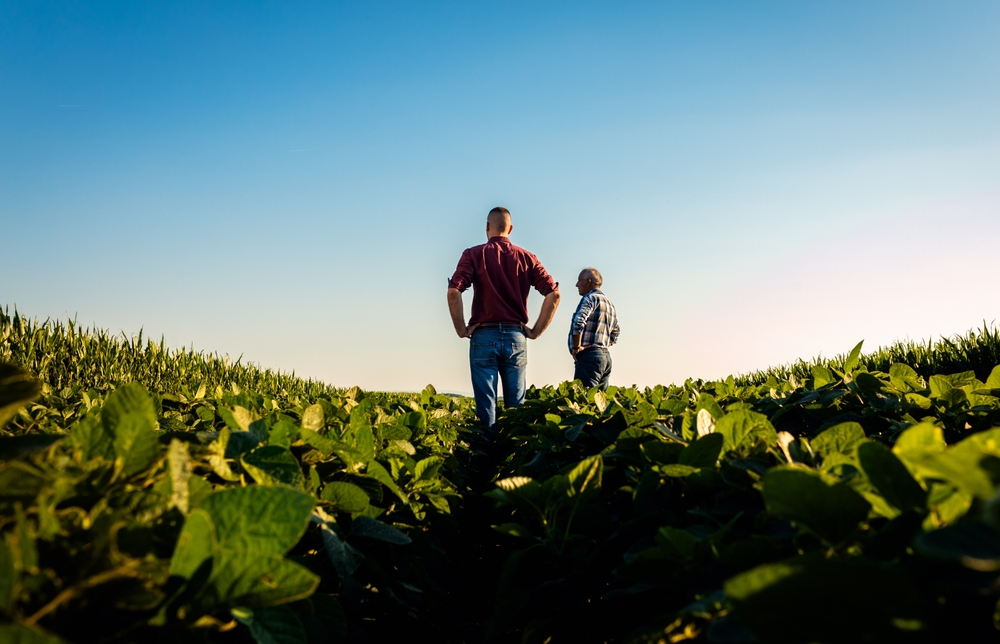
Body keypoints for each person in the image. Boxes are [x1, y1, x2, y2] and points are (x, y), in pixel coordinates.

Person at [447, 207, 561, 438]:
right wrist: (535, 331)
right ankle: (513, 453)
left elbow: (453, 291)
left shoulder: (473, 254)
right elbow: (554, 294)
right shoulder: (527, 257)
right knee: (516, 409)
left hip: (483, 336)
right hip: (516, 337)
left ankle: (486, 455)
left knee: (485, 407)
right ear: (510, 229)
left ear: (487, 227)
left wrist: (461, 329)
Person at [569, 268, 619, 391]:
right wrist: (601, 346)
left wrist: (576, 347)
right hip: (605, 358)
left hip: (589, 357)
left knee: (585, 398)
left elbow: (578, 323)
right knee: (600, 399)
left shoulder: (589, 298)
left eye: (579, 280)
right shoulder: (609, 303)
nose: (576, 285)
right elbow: (616, 332)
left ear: (588, 281)